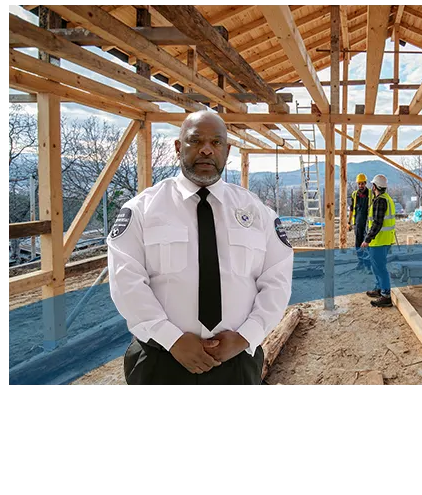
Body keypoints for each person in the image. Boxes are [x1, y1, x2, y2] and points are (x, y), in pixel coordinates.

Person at [107, 111, 294, 390]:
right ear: (178, 147)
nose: (206, 149)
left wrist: (246, 336)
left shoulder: (256, 212)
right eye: (196, 141)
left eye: (216, 142)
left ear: (227, 150)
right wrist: (171, 338)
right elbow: (126, 282)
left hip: (236, 364)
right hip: (161, 363)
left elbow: (277, 280)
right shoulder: (142, 210)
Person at [360, 174, 396, 308]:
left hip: (379, 241)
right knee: (377, 266)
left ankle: (386, 295)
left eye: (372, 185)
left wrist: (367, 239)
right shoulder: (387, 198)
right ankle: (379, 288)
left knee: (380, 268)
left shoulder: (380, 200)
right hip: (384, 240)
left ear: (375, 186)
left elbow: (377, 223)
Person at [347, 173, 372, 271]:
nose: (361, 186)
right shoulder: (354, 194)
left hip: (367, 222)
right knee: (358, 243)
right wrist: (349, 222)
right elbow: (352, 209)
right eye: (359, 184)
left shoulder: (370, 194)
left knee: (366, 243)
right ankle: (360, 262)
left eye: (362, 183)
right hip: (357, 223)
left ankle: (368, 265)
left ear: (365, 183)